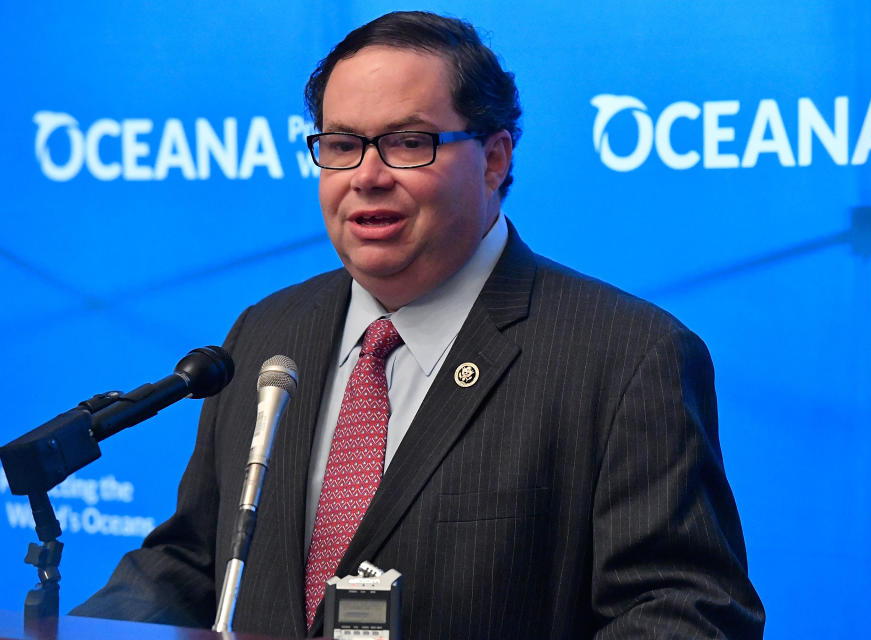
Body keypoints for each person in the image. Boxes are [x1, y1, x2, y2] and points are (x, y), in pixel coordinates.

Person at [72, 11, 764, 638]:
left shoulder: (624, 356)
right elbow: (195, 561)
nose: (367, 176)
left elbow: (685, 613)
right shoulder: (267, 332)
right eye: (342, 145)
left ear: (495, 158)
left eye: (407, 142)